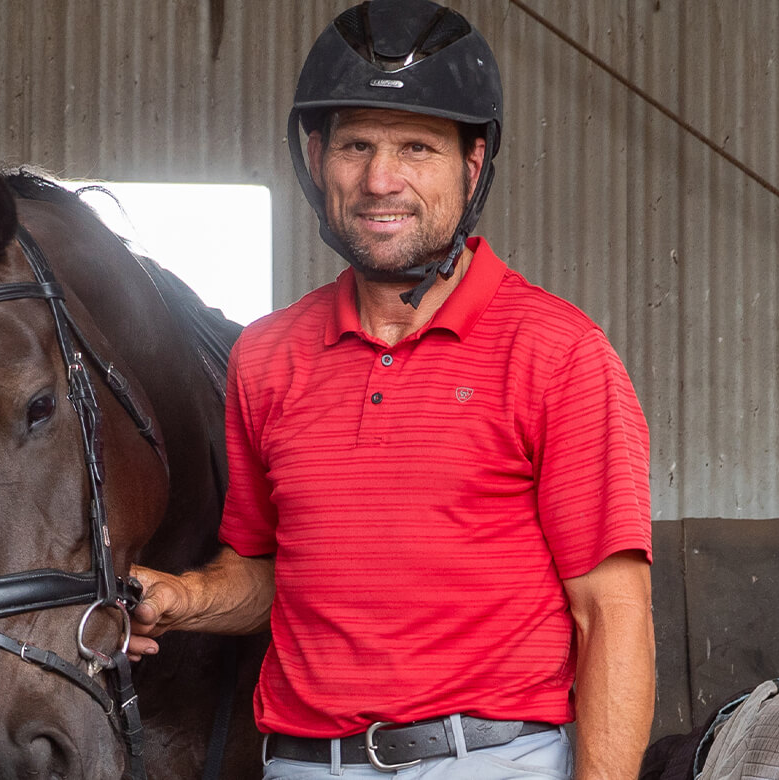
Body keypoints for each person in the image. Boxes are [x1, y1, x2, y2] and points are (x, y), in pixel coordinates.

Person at [127, 2, 655, 778]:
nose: (381, 180)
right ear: (316, 158)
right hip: (304, 765)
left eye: (416, 146)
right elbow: (273, 571)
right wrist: (181, 599)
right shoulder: (267, 357)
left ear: (472, 165)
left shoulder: (558, 353)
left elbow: (611, 613)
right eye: (356, 144)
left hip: (491, 761)